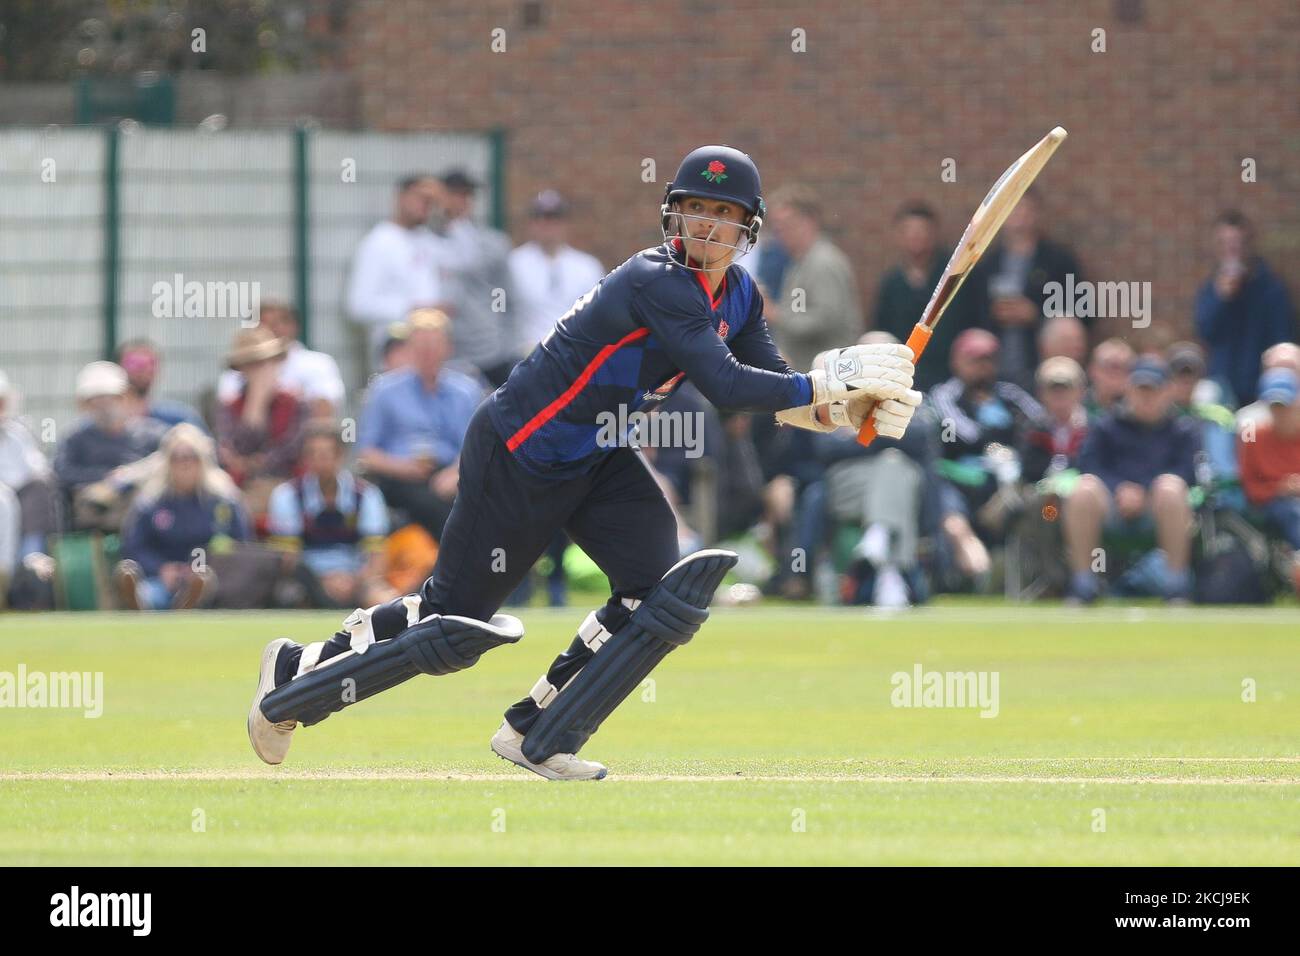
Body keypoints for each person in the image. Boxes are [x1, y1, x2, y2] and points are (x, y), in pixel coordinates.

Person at [247, 145, 921, 779]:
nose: (709, 227)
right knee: (450, 628)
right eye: (698, 210)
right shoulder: (656, 280)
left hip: (598, 454)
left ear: (749, 227)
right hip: (521, 453)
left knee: (661, 596)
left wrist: (846, 408)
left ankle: (540, 732)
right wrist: (825, 387)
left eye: (725, 215)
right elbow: (724, 384)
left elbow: (767, 385)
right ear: (674, 214)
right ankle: (297, 673)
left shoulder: (738, 295)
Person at [1063, 357, 1200, 604]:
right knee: (1084, 489)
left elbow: (1188, 472)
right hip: (1112, 506)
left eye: (1153, 390)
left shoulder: (1183, 429)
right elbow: (1088, 465)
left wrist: (1144, 491)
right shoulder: (1105, 425)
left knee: (1170, 487)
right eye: (1140, 389)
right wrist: (1120, 489)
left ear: (1167, 390)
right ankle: (1083, 584)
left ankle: (1176, 587)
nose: (1146, 397)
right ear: (1129, 389)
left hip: (1160, 509)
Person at [355, 308, 484, 541]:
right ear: (409, 349)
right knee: (438, 507)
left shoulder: (466, 391)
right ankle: (457, 564)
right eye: (421, 346)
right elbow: (366, 453)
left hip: (450, 474)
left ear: (448, 348)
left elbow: (475, 447)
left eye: (434, 345)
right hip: (400, 476)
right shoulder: (384, 390)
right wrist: (402, 467)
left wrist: (456, 473)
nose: (427, 353)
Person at [114, 424, 249, 610]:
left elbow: (240, 544)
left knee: (203, 584)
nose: (184, 463)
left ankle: (190, 599)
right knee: (151, 593)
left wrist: (201, 568)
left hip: (211, 577)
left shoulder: (223, 502)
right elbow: (134, 546)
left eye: (190, 456)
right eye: (176, 458)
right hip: (161, 578)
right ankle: (141, 604)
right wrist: (161, 568)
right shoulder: (150, 503)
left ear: (203, 460)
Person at [964, 188, 1084, 390]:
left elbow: (1082, 312)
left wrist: (1037, 313)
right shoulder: (987, 264)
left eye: (1026, 211)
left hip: (1044, 370)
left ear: (1037, 214)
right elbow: (971, 314)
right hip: (996, 368)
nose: (1020, 218)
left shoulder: (1058, 262)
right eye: (1014, 210)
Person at [268, 422, 393, 609]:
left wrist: (352, 581)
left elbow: (376, 556)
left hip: (357, 579)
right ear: (304, 458)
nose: (320, 461)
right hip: (308, 581)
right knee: (288, 598)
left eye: (326, 455)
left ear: (340, 456)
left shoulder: (367, 495)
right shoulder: (287, 495)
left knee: (383, 601)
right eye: (313, 455)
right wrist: (324, 581)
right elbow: (288, 558)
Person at [1193, 210, 1296, 406]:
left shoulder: (1271, 289)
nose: (1231, 250)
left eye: (1237, 243)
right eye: (1224, 243)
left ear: (1248, 245)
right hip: (1223, 387)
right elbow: (1205, 333)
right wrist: (1221, 299)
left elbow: (1282, 338)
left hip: (1263, 387)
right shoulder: (1210, 289)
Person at [873, 201, 976, 390]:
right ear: (899, 236)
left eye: (922, 231)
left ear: (934, 234)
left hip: (951, 376)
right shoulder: (892, 282)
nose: (916, 237)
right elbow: (882, 328)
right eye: (909, 231)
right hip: (905, 376)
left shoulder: (954, 276)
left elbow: (972, 320)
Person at [346, 174, 447, 363]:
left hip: (432, 354)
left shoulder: (430, 241)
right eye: (422, 198)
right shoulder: (378, 242)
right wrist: (413, 309)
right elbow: (358, 305)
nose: (427, 205)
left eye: (432, 201)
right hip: (394, 352)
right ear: (400, 197)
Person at [764, 185, 864, 372]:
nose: (781, 231)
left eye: (787, 223)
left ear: (810, 221)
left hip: (827, 377)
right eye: (776, 226)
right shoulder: (799, 264)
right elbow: (798, 312)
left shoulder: (823, 262)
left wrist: (773, 313)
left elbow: (825, 320)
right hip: (808, 375)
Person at [54, 361, 165, 529]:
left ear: (126, 398)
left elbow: (173, 453)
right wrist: (106, 478)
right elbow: (62, 472)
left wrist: (130, 475)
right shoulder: (74, 438)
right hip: (92, 507)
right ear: (84, 405)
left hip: (142, 505)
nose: (105, 406)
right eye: (96, 401)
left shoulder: (151, 433)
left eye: (111, 399)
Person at [433, 169, 518, 385]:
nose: (458, 202)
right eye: (452, 194)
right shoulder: (423, 241)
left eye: (465, 195)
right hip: (441, 350)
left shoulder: (492, 243)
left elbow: (510, 298)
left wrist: (506, 343)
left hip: (487, 349)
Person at [214, 328, 306, 517]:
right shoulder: (229, 407)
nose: (260, 371)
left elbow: (291, 450)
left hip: (287, 484)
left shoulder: (296, 404)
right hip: (241, 487)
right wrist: (256, 405)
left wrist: (255, 463)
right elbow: (233, 449)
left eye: (264, 363)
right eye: (252, 365)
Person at [508, 190, 605, 352]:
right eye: (540, 218)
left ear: (565, 223)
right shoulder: (514, 264)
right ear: (531, 223)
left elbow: (598, 316)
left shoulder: (587, 267)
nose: (547, 225)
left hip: (573, 355)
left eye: (554, 218)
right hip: (526, 355)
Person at [217, 301, 346, 419]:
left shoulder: (318, 363)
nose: (272, 330)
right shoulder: (237, 370)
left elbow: (325, 411)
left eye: (279, 323)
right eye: (263, 325)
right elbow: (229, 416)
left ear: (294, 326)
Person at [1236, 368, 1300, 593]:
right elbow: (1250, 488)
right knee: (1292, 512)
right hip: (1274, 507)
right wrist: (1280, 489)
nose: (1280, 413)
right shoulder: (1254, 436)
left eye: (1286, 405)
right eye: (1274, 407)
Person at [116, 339, 206, 431]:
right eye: (133, 363)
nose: (142, 371)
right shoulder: (106, 424)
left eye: (149, 364)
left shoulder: (178, 418)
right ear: (118, 368)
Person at [1084, 337, 1135, 421]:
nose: (1115, 374)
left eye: (1123, 367)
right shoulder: (1076, 407)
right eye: (1109, 366)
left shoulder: (1139, 413)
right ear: (1092, 370)